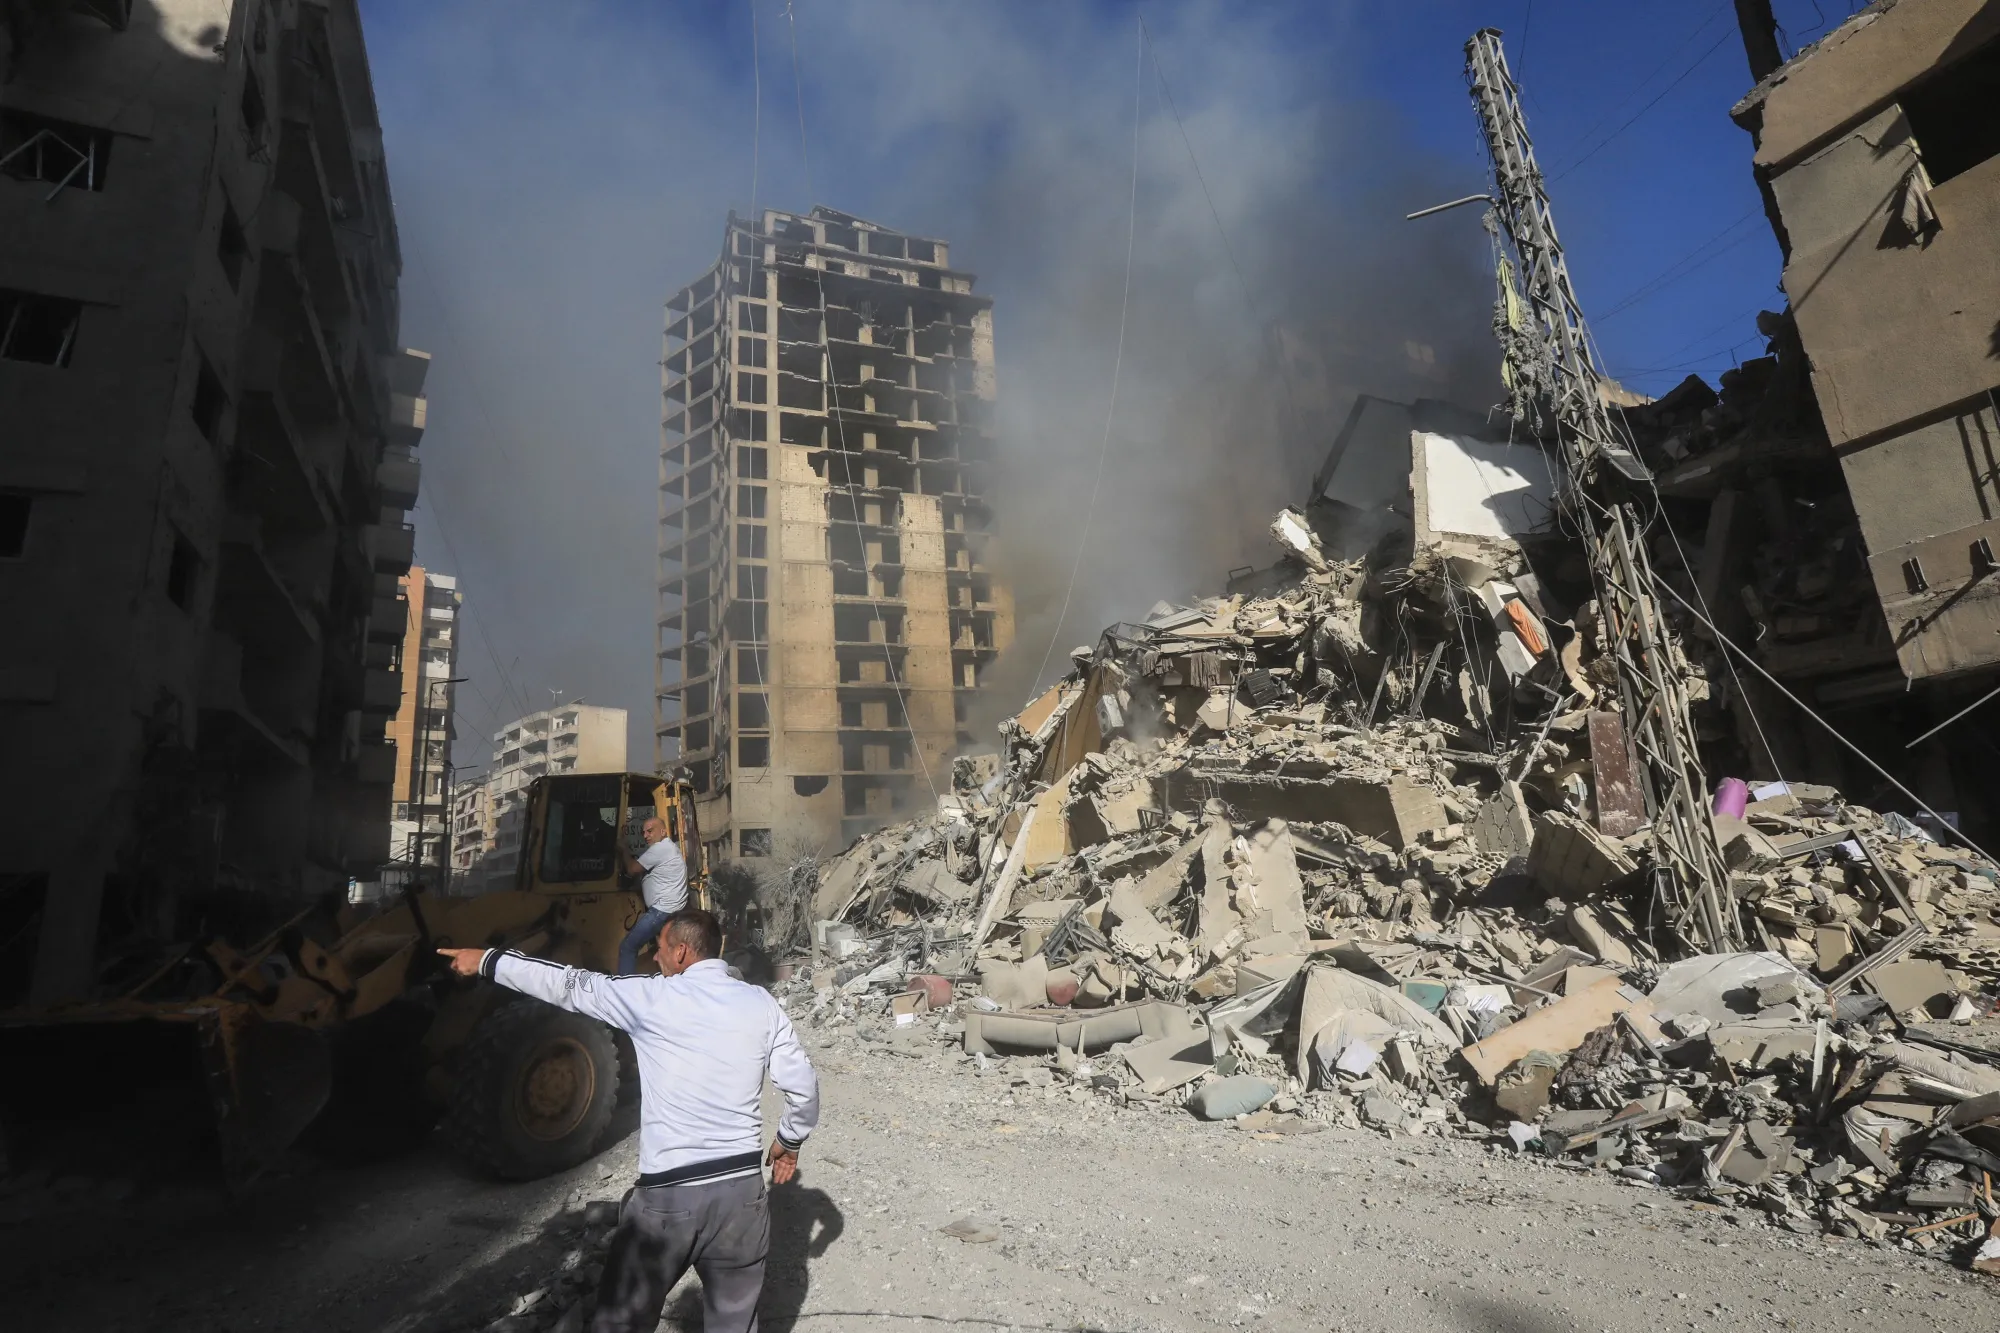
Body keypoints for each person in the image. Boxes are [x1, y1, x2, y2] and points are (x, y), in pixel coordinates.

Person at [438, 909, 818, 1333]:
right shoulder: (760, 1003)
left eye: (659, 948)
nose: (654, 957)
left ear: (681, 952)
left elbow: (567, 984)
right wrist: (790, 1140)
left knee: (622, 1322)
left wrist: (487, 961)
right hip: (742, 1198)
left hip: (668, 1200)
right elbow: (803, 1087)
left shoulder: (649, 997)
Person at [617, 815, 687, 974]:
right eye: (643, 832)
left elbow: (632, 869)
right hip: (671, 911)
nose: (645, 835)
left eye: (650, 831)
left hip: (661, 912)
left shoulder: (659, 849)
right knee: (662, 953)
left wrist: (624, 849)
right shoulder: (669, 848)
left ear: (663, 832)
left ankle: (624, 987)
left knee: (627, 947)